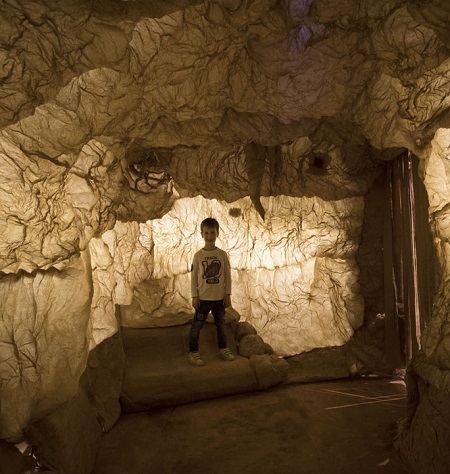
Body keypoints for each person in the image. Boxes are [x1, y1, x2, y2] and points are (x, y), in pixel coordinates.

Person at [188, 217, 236, 366]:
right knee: (197, 326)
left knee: (221, 325)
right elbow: (193, 278)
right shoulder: (198, 256)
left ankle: (224, 348)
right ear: (202, 234)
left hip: (219, 299)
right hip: (202, 299)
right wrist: (194, 296)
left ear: (218, 233)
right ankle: (193, 352)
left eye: (212, 232)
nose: (209, 236)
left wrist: (227, 294)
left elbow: (227, 276)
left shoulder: (222, 255)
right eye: (206, 233)